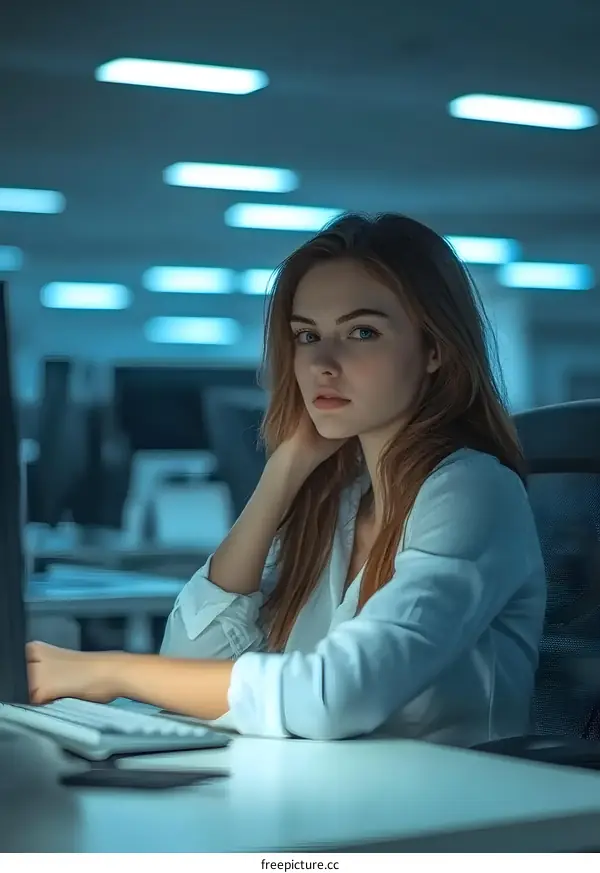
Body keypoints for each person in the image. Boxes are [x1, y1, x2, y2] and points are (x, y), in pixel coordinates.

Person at [27, 213, 547, 746]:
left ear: (435, 348)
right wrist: (285, 469)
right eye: (307, 335)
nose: (322, 362)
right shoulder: (339, 500)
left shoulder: (472, 490)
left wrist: (108, 671)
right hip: (335, 787)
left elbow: (337, 696)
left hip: (447, 794)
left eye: (362, 332)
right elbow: (192, 657)